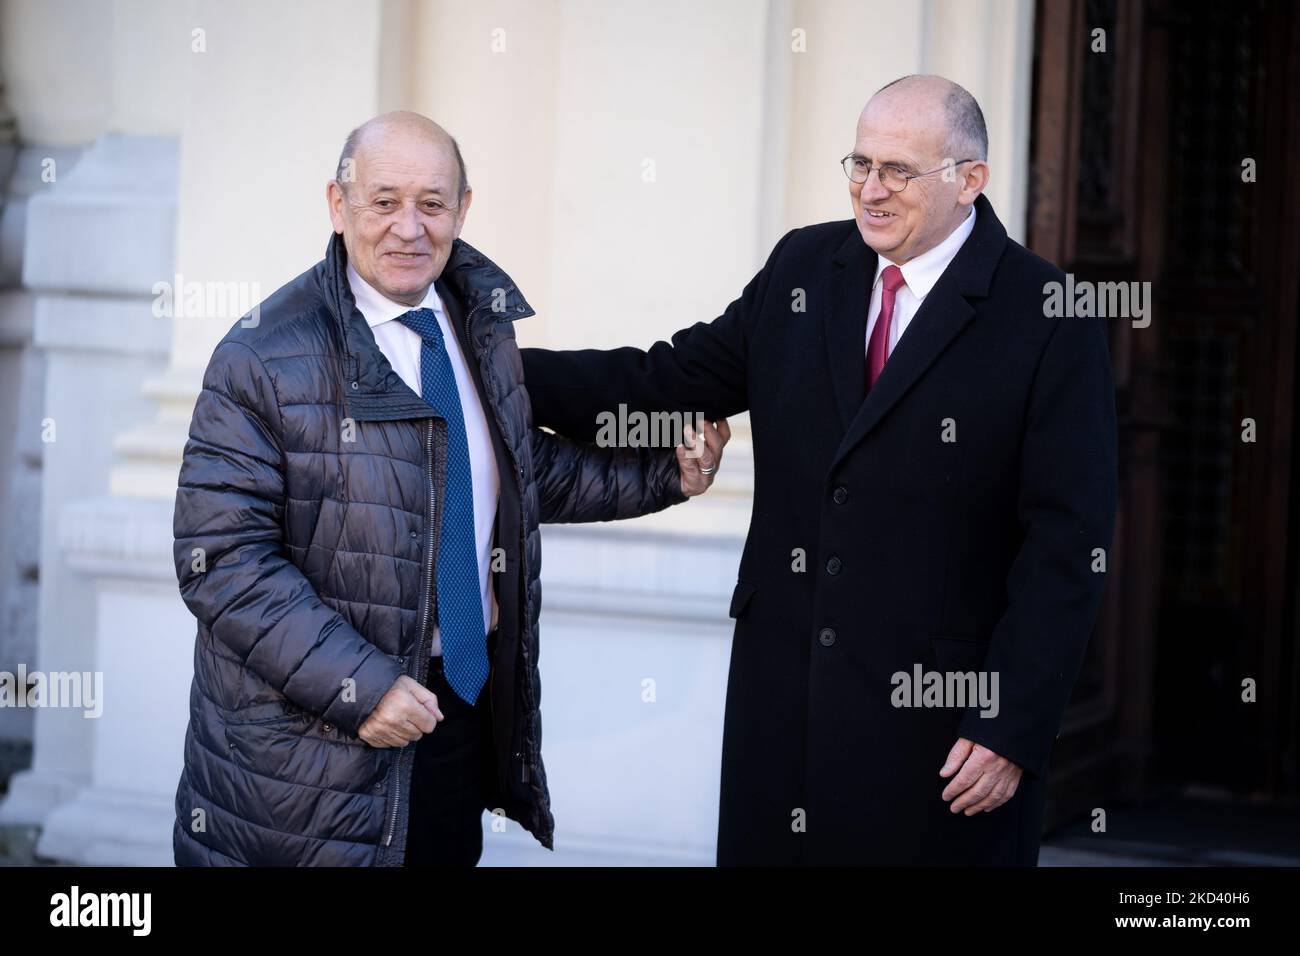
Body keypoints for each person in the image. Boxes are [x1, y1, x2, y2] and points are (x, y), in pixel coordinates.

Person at [521, 75, 1117, 865]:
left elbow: (1067, 545)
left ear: (969, 180)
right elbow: (663, 382)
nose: (869, 190)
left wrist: (1011, 722)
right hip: (785, 706)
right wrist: (494, 366)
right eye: (859, 163)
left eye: (897, 170)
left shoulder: (1047, 313)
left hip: (938, 735)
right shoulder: (806, 265)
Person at [170, 111, 728, 866]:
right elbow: (225, 563)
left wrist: (667, 473)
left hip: (452, 711)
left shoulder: (477, 329)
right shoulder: (261, 355)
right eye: (384, 201)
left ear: (463, 210)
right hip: (303, 758)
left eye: (432, 204)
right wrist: (363, 689)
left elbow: (523, 474)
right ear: (338, 207)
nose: (409, 228)